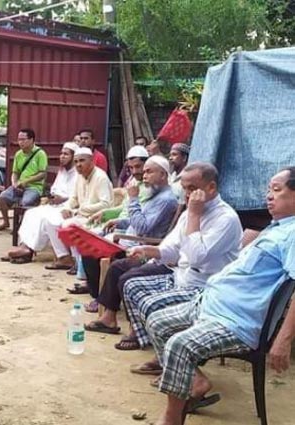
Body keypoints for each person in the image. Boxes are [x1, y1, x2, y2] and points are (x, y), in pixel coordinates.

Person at [145, 167, 295, 425]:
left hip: (234, 321)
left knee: (179, 345)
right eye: (269, 189)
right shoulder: (277, 228)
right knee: (157, 322)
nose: (269, 196)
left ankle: (171, 419)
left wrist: (283, 340)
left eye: (277, 190)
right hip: (211, 302)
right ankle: (195, 381)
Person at [85, 163, 242, 351]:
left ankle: (157, 347)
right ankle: (151, 341)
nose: (187, 195)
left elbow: (195, 258)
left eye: (192, 188)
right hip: (181, 274)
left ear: (211, 187)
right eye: (184, 188)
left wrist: (193, 215)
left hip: (203, 285)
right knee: (130, 284)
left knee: (137, 289)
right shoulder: (189, 212)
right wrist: (147, 250)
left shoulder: (225, 218)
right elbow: (172, 248)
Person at [76, 155, 178, 309]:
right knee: (89, 249)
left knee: (93, 254)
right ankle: (99, 296)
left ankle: (101, 300)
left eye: (149, 172)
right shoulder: (155, 195)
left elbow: (143, 227)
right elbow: (139, 220)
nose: (144, 176)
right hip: (127, 241)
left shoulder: (166, 199)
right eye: (144, 172)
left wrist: (134, 199)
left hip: (139, 247)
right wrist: (119, 221)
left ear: (163, 175)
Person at [6, 147, 112, 268]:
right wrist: (67, 208)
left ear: (92, 161)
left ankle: (77, 262)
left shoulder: (100, 177)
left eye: (82, 161)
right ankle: (63, 257)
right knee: (49, 221)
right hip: (78, 213)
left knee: (66, 224)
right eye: (76, 161)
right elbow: (74, 198)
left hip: (95, 217)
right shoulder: (81, 176)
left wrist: (77, 210)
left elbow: (106, 204)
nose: (78, 164)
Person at [2, 142, 78, 264]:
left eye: (66, 154)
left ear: (74, 157)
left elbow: (77, 197)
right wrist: (52, 197)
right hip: (55, 204)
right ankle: (24, 246)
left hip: (69, 207)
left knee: (46, 218)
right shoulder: (62, 171)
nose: (62, 156)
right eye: (61, 153)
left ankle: (31, 250)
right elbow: (54, 189)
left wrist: (63, 199)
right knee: (31, 213)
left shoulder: (78, 173)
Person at [0, 129, 48, 232]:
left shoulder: (40, 154)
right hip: (19, 185)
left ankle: (21, 226)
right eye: (19, 139)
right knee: (3, 197)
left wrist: (26, 182)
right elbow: (15, 173)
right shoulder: (18, 154)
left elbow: (42, 174)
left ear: (31, 140)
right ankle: (6, 222)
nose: (20, 142)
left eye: (23, 139)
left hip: (34, 187)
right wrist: (14, 183)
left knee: (25, 202)